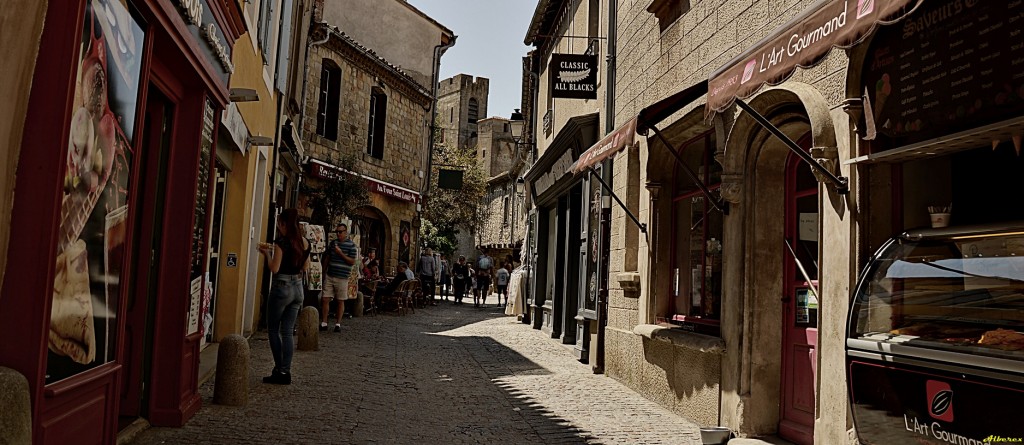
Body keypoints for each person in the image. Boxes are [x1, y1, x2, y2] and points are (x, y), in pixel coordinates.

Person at [257, 209, 310, 385]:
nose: (278, 225)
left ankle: (280, 370)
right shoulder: (304, 242)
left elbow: (274, 268)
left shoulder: (281, 242)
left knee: (273, 329)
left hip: (282, 286)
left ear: (284, 224)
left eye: (280, 222)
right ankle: (285, 371)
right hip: (298, 288)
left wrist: (266, 253)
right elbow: (305, 267)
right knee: (287, 331)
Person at [321, 223, 357, 332]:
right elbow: (327, 257)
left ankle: (338, 324)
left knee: (340, 300)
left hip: (342, 277)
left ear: (346, 233)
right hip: (330, 275)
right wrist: (323, 271)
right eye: (337, 232)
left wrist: (340, 253)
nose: (338, 234)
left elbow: (352, 261)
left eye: (340, 232)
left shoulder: (351, 246)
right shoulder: (333, 243)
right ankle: (324, 322)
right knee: (325, 298)